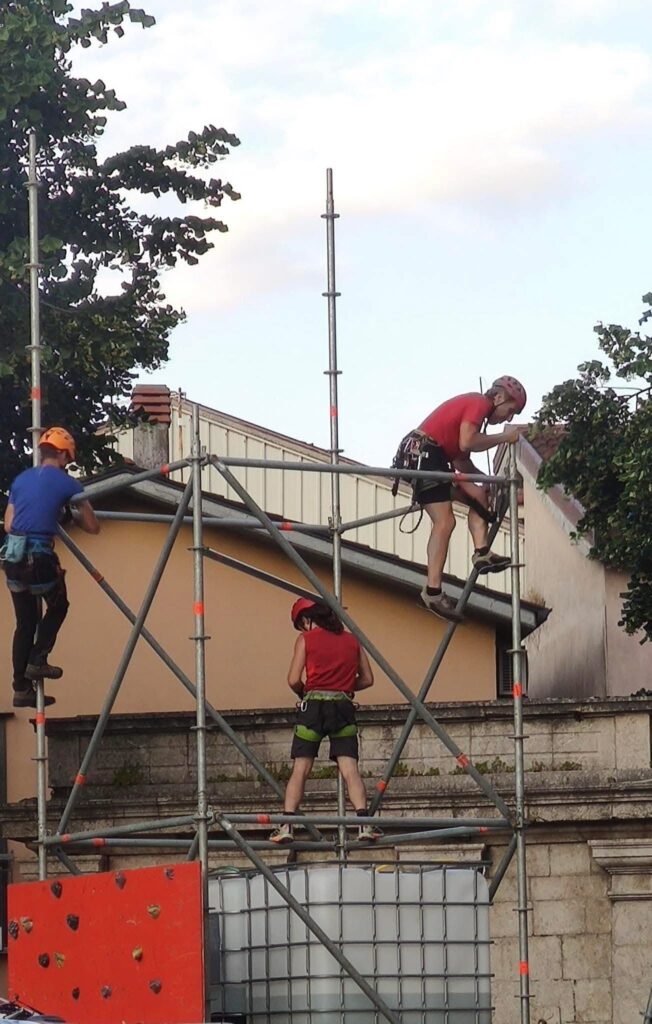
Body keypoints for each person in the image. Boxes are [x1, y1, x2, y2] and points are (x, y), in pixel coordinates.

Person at [394, 376, 526, 623]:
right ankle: (433, 591)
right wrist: (503, 438)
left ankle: (482, 551)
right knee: (445, 521)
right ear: (498, 398)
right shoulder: (479, 402)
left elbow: (462, 460)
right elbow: (468, 441)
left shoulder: (473, 416)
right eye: (511, 410)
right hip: (424, 453)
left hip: (430, 455)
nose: (508, 419)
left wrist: (488, 481)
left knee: (478, 495)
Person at [1, 427, 100, 708]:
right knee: (59, 606)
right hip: (39, 559)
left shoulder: (21, 480)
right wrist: (71, 515)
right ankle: (38, 660)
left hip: (13, 558)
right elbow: (93, 527)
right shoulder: (69, 484)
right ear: (63, 455)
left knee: (25, 623)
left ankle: (21, 688)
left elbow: (9, 524)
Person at [270, 598, 382, 844]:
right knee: (350, 769)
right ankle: (364, 824)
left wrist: (305, 692)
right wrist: (343, 686)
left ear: (307, 619)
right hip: (343, 707)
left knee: (301, 768)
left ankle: (287, 825)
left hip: (313, 708)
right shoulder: (352, 640)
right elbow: (367, 679)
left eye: (301, 624)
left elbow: (293, 679)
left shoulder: (306, 640)